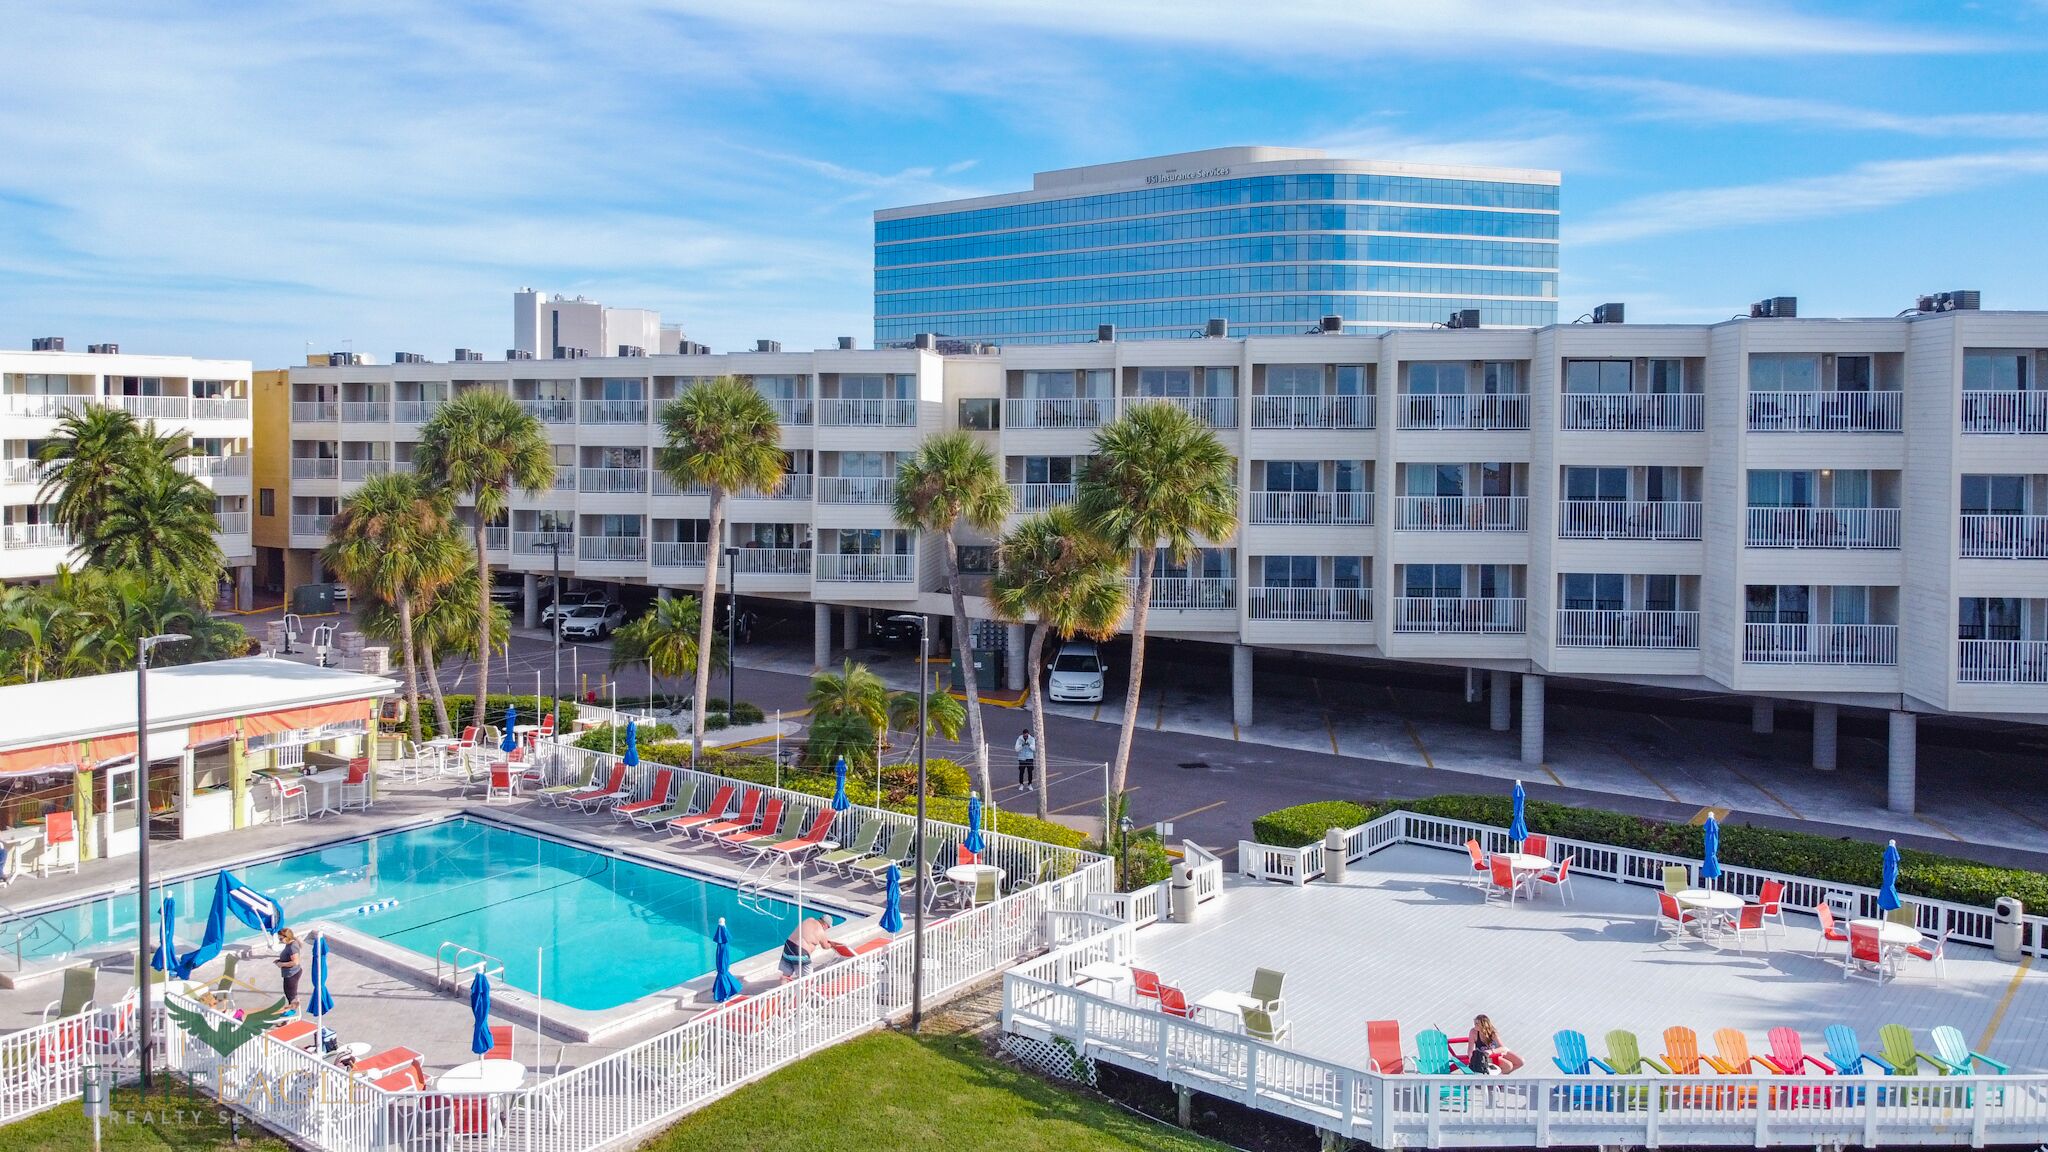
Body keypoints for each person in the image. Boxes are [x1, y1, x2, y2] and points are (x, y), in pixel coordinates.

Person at [778, 916, 832, 982]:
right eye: (828, 927)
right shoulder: (821, 932)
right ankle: (801, 991)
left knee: (786, 975)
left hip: (788, 946)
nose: (827, 929)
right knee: (808, 979)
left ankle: (784, 989)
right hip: (800, 952)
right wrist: (832, 945)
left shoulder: (809, 919)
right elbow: (825, 946)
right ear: (825, 925)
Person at [274, 927, 304, 1018]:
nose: (279, 940)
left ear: (287, 937)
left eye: (280, 938)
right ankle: (292, 1007)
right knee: (290, 993)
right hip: (291, 973)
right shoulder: (293, 943)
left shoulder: (292, 947)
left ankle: (292, 1011)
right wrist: (280, 960)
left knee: (290, 994)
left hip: (292, 974)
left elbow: (295, 962)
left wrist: (281, 964)